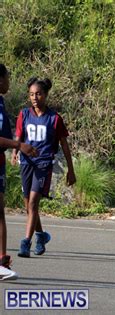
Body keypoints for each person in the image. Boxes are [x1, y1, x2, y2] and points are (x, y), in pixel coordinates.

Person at [12, 77, 76, 258]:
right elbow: (19, 135)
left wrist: (71, 170)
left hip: (44, 164)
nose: (34, 97)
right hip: (26, 163)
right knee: (28, 206)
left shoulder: (54, 119)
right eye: (31, 94)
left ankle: (26, 243)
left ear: (45, 95)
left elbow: (64, 145)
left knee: (33, 203)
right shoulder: (24, 114)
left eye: (38, 94)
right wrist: (16, 151)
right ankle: (41, 236)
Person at [0, 64, 38, 279]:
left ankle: (2, 260)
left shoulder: (1, 102)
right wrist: (19, 146)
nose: (9, 82)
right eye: (7, 78)